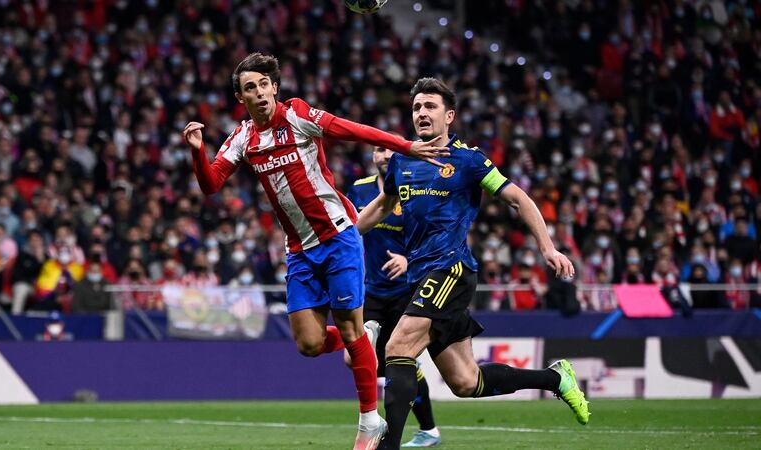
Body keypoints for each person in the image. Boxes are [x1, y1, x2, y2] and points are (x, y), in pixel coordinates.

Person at [182, 53, 448, 450]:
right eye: (249, 88)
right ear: (242, 97)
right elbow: (211, 184)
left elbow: (354, 130)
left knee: (351, 324)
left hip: (339, 236)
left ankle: (369, 421)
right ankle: (361, 340)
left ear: (275, 86)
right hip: (300, 251)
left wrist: (406, 147)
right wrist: (197, 151)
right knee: (308, 344)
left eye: (263, 84)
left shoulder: (299, 115)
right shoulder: (242, 138)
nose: (258, 93)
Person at [356, 78, 590, 449]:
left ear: (449, 116)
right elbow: (383, 205)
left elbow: (519, 199)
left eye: (430, 107)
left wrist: (547, 247)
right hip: (421, 277)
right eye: (417, 107)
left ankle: (388, 446)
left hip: (451, 269)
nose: (422, 114)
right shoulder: (401, 159)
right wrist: (342, 237)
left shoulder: (469, 160)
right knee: (466, 382)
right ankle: (555, 379)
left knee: (397, 348)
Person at [347, 144, 441, 448]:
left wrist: (407, 260)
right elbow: (348, 232)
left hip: (405, 290)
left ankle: (428, 430)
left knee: (402, 362)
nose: (385, 155)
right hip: (370, 290)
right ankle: (424, 429)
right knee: (357, 359)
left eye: (391, 151)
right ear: (372, 157)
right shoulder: (359, 190)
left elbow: (431, 237)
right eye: (378, 150)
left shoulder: (415, 190)